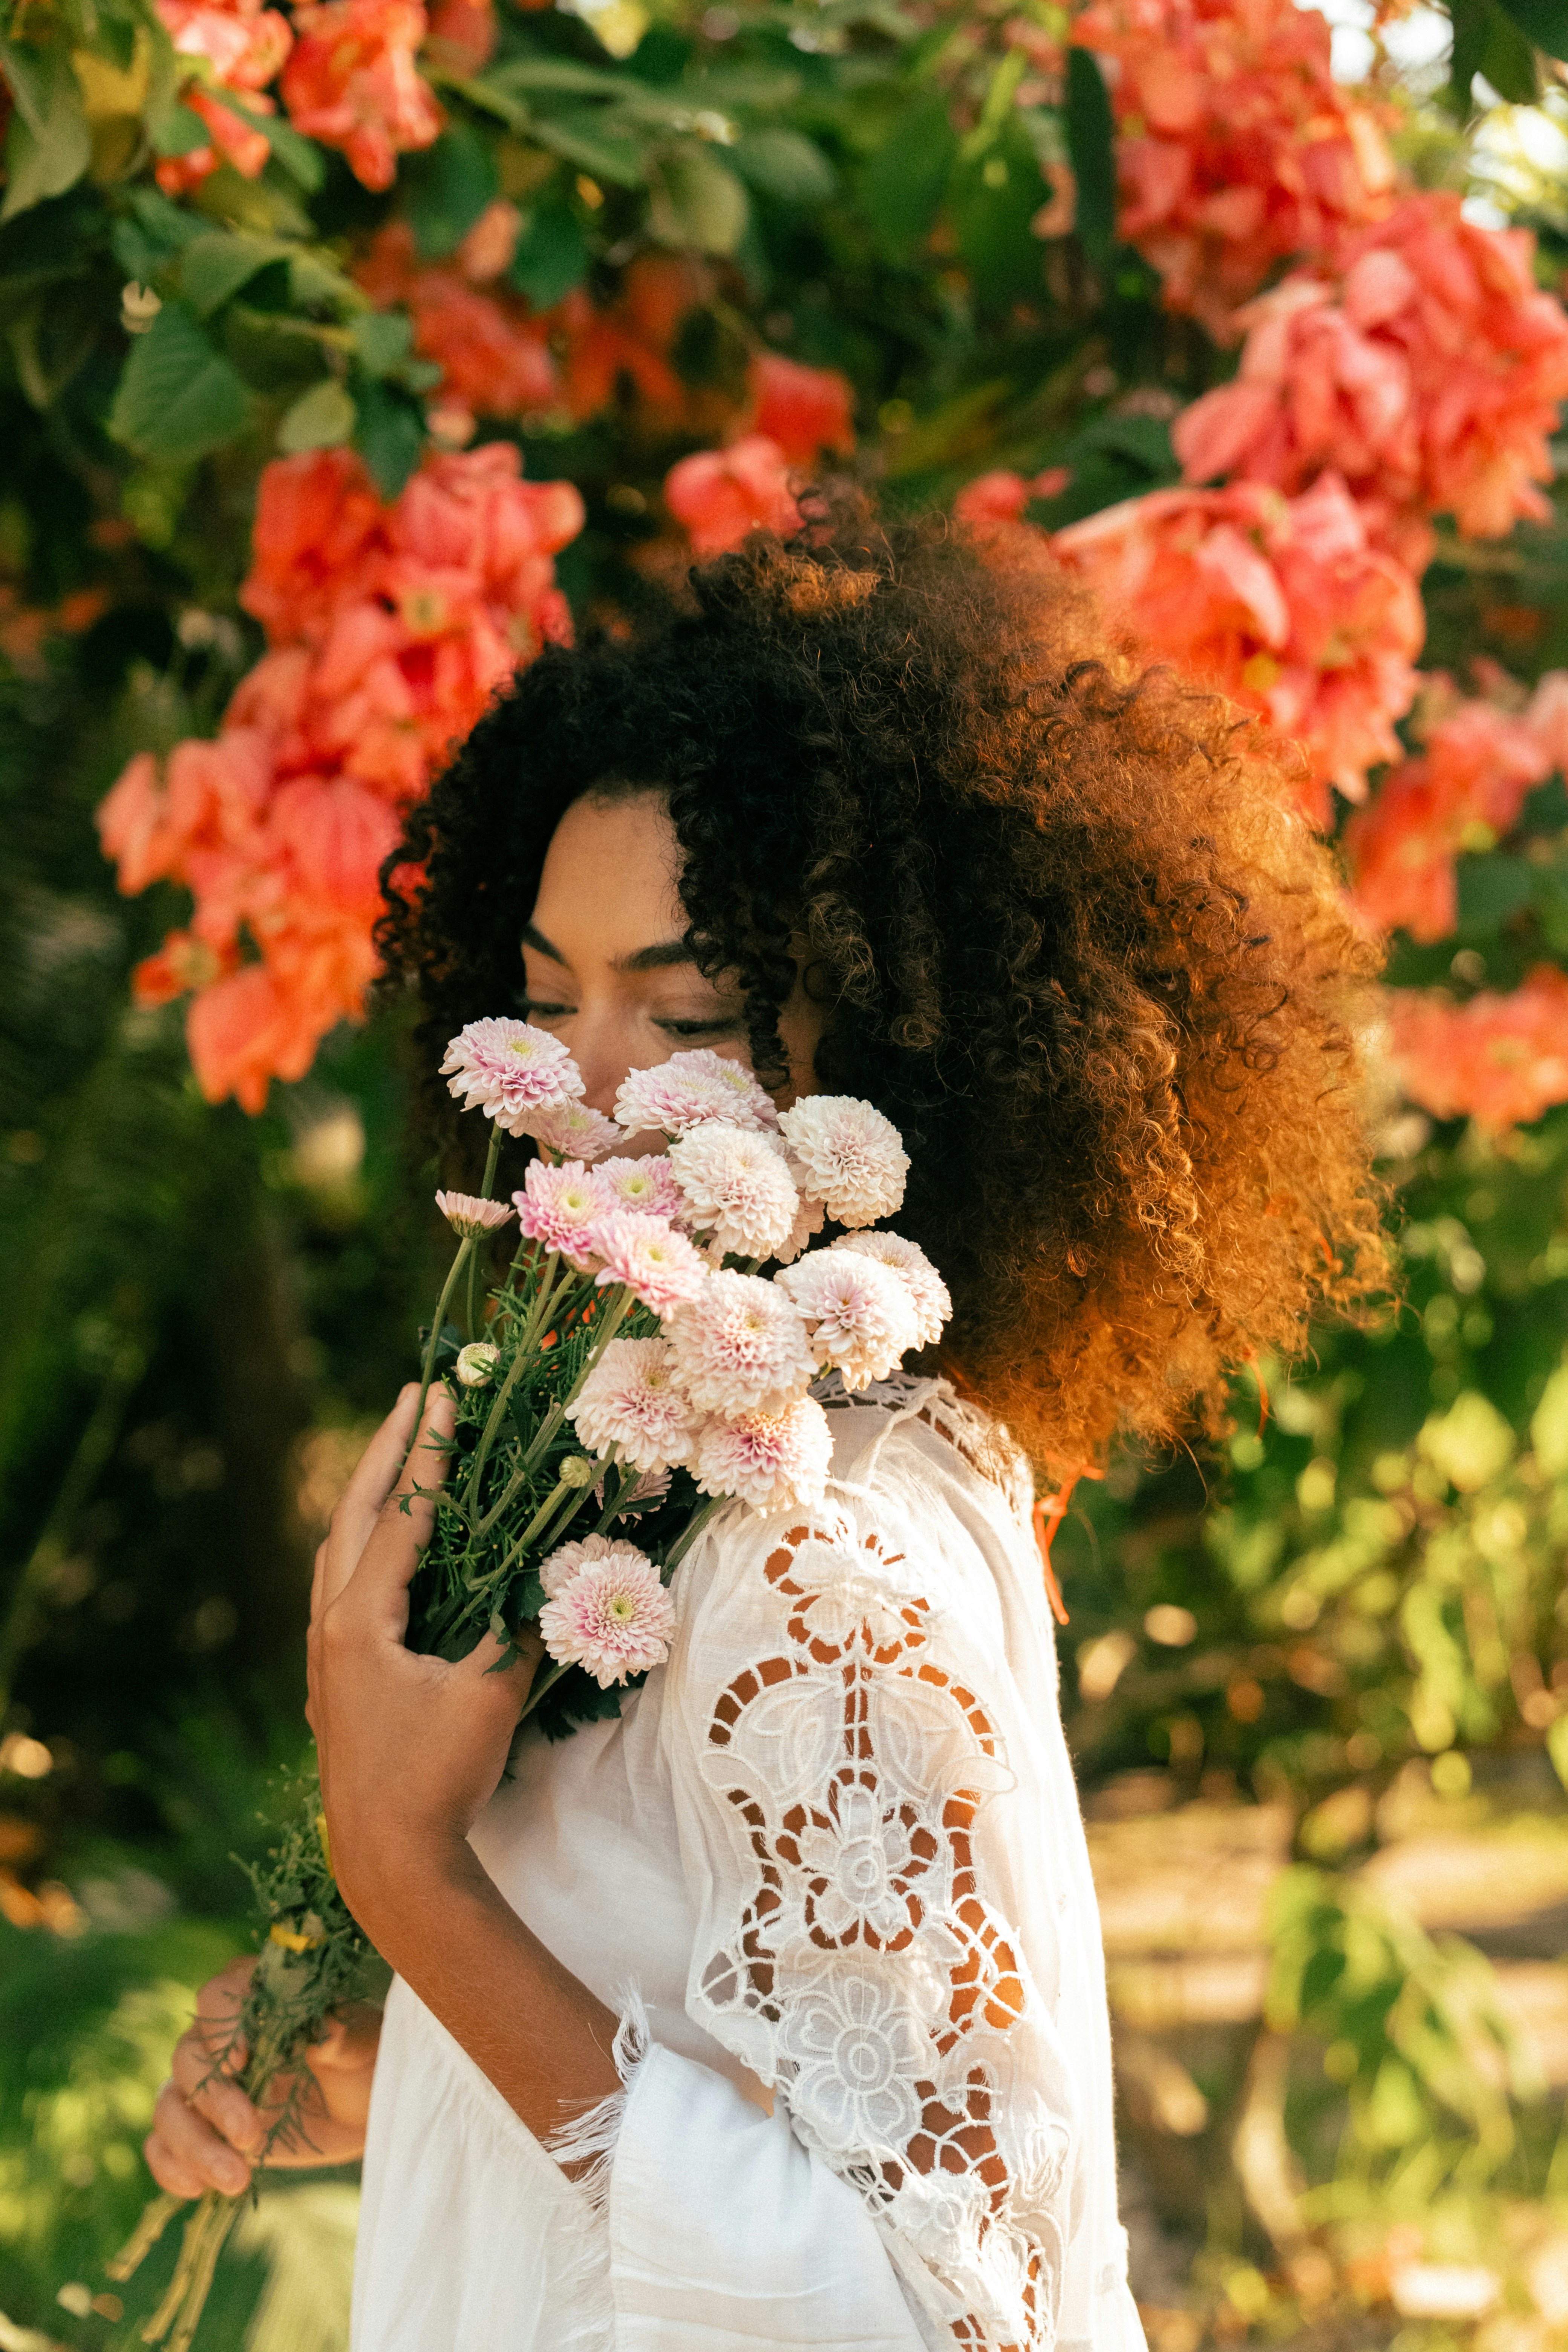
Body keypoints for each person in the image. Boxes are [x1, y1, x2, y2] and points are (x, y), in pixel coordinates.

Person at [145, 507, 1388, 2350]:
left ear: (896, 1055)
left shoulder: (822, 1553)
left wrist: (407, 1884)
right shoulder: (647, 1473)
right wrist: (401, 2051)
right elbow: (695, 2043)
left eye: (692, 1007)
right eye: (548, 991)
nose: (577, 1087)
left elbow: (933, 2307)